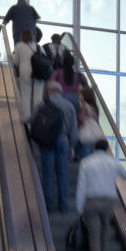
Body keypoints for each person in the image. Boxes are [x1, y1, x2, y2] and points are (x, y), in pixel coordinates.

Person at [75, 138, 126, 251]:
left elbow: (81, 186)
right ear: (106, 149)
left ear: (94, 148)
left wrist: (79, 208)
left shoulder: (86, 163)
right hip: (109, 202)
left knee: (94, 235)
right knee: (106, 228)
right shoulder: (113, 162)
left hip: (91, 202)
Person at [30, 80, 77, 214]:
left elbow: (33, 120)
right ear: (61, 92)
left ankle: (48, 205)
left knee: (48, 173)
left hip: (47, 140)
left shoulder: (42, 104)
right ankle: (63, 205)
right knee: (63, 174)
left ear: (48, 91)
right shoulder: (69, 106)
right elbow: (74, 129)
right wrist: (72, 147)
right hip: (64, 140)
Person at [11, 28, 42, 117]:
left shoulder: (19, 46)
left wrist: (12, 57)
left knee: (25, 95)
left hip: (25, 72)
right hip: (39, 72)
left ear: (22, 37)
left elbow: (16, 62)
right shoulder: (38, 47)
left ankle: (27, 118)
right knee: (38, 96)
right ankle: (37, 117)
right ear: (32, 37)